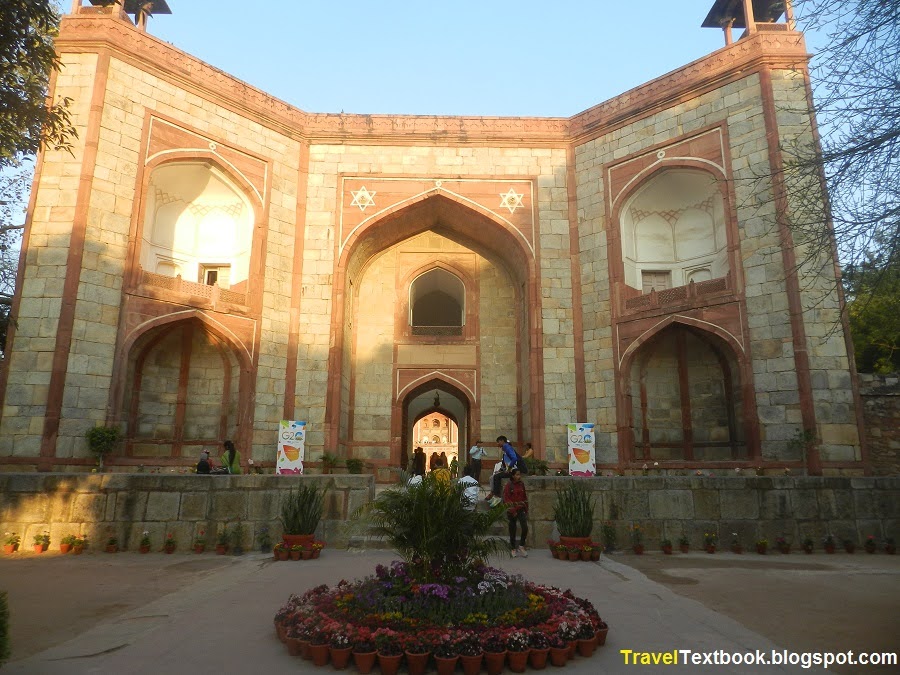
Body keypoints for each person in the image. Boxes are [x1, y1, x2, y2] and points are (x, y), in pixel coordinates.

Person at [503, 468, 528, 557]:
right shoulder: (509, 485)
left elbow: (524, 496)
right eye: (517, 475)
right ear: (513, 476)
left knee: (525, 527)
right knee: (512, 530)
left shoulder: (521, 484)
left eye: (519, 475)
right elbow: (506, 499)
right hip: (512, 510)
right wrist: (512, 510)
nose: (519, 476)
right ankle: (513, 548)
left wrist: (526, 508)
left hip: (521, 508)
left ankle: (521, 545)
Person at [488, 435, 518, 506]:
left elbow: (514, 458)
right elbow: (505, 463)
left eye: (498, 442)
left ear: (502, 441)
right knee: (494, 476)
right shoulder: (505, 449)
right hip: (509, 469)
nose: (497, 444)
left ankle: (497, 496)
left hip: (512, 470)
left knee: (497, 477)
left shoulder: (507, 447)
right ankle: (494, 494)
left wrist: (510, 468)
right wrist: (501, 469)